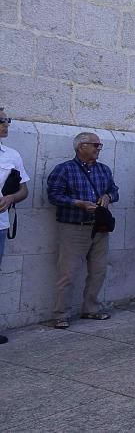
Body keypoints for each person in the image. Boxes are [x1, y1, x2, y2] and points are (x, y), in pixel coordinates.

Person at [45, 132, 119, 329]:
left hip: (99, 228)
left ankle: (91, 308)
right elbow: (53, 196)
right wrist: (78, 203)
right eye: (95, 145)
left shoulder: (104, 170)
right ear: (81, 147)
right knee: (67, 273)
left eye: (99, 145)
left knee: (99, 270)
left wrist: (107, 197)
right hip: (73, 227)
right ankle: (61, 314)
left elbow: (115, 190)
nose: (98, 149)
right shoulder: (64, 170)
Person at [0, 108, 29, 344]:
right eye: (2, 120)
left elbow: (23, 189)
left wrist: (11, 198)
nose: (6, 124)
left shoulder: (11, 155)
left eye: (7, 120)